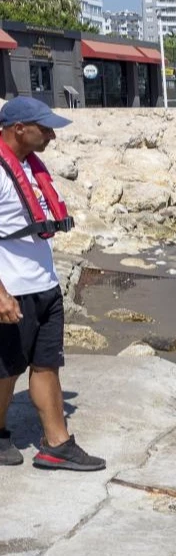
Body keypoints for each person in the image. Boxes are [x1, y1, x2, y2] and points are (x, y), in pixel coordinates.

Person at [0, 97, 104, 471]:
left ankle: (56, 445)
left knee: (47, 365)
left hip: (45, 286)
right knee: (7, 370)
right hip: (12, 290)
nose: (52, 136)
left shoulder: (30, 167)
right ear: (19, 129)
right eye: (45, 129)